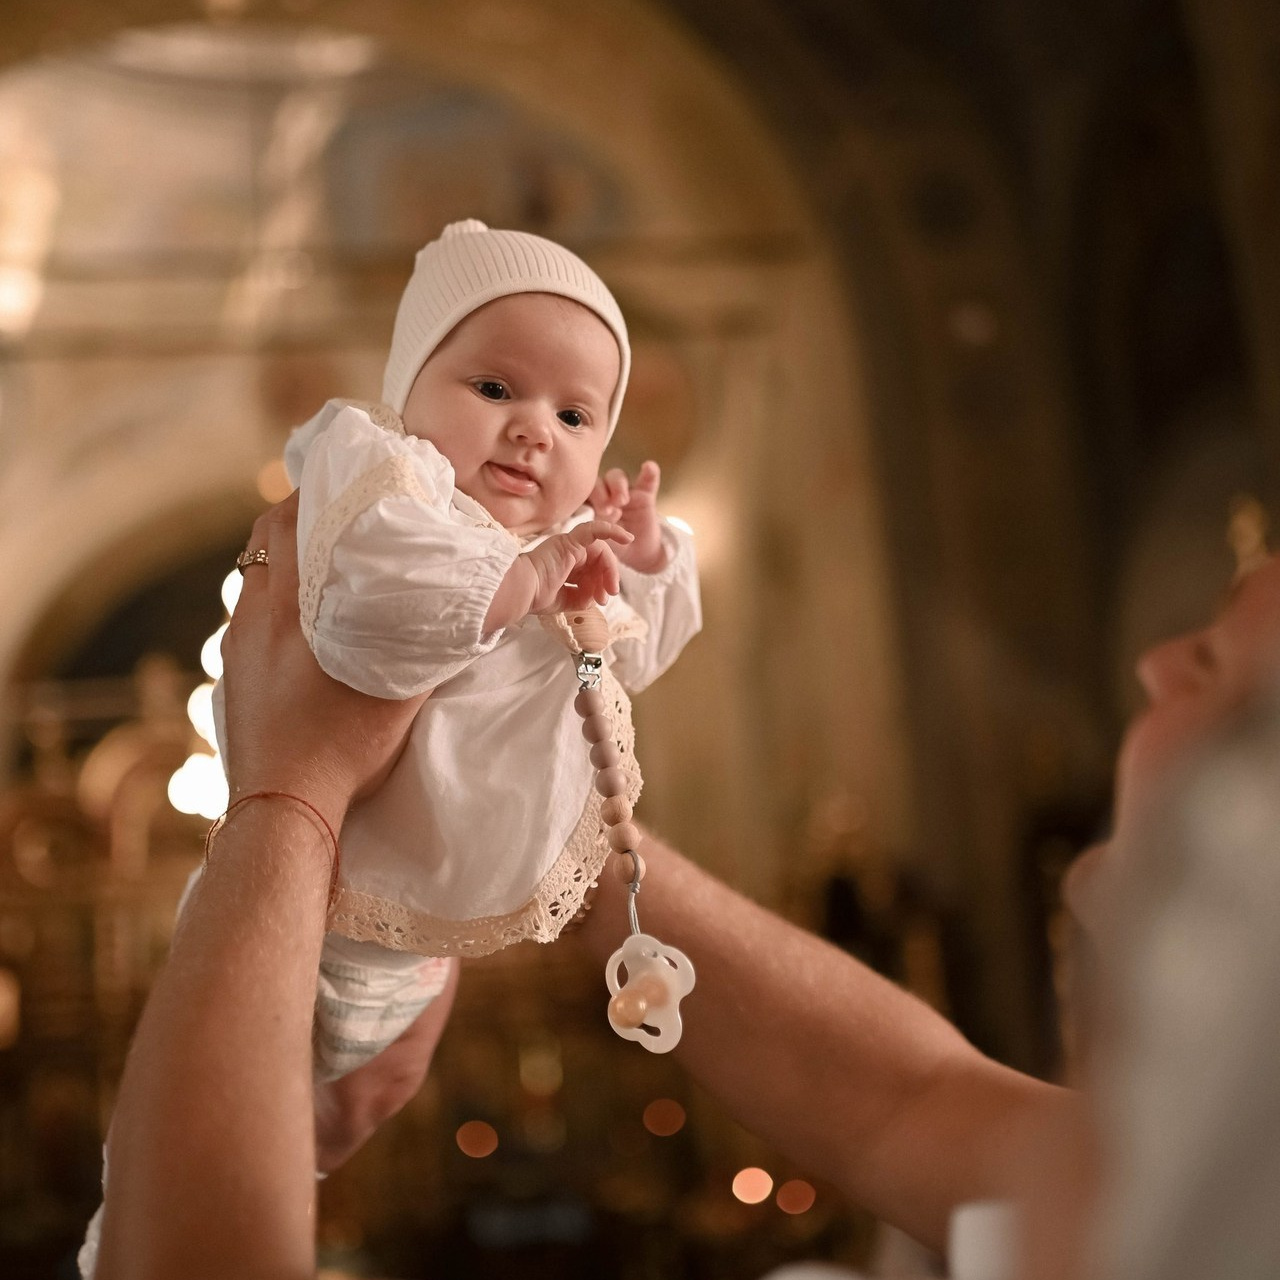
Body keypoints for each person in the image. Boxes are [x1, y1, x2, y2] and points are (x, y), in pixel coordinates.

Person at [91, 489, 1280, 1278]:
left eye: (1216, 667)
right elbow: (901, 1101)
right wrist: (538, 832)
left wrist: (282, 804)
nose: (1152, 658)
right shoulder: (1160, 1178)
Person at [237, 219, 702, 1081]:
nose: (535, 430)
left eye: (573, 414)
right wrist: (528, 578)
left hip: (427, 941)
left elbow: (630, 662)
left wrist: (640, 562)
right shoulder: (388, 480)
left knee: (356, 1108)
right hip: (330, 910)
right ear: (410, 387)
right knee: (280, 1093)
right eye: (495, 388)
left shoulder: (559, 536)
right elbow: (378, 624)